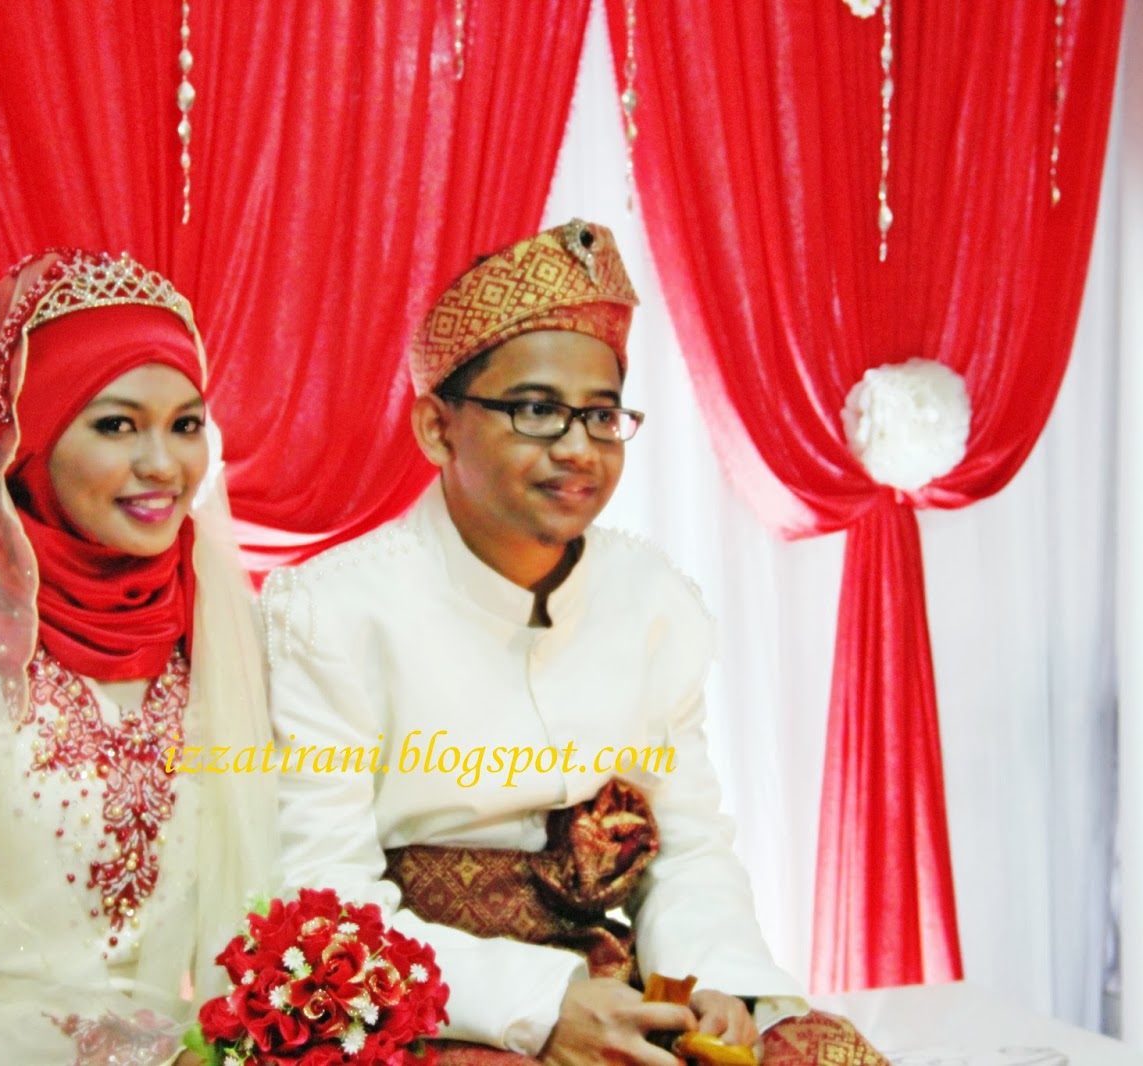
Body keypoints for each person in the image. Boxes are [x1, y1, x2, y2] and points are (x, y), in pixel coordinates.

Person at [264, 220, 884, 1065]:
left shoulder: (653, 600)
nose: (579, 450)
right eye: (536, 411)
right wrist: (542, 1009)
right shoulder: (328, 611)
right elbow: (322, 898)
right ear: (437, 428)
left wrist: (715, 987)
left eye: (600, 415)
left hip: (614, 985)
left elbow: (689, 844)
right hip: (433, 1003)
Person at [0, 250, 277, 1065]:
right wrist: (126, 1057)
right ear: (27, 438)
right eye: (116, 424)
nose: (163, 465)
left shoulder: (211, 627)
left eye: (185, 424)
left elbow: (241, 925)